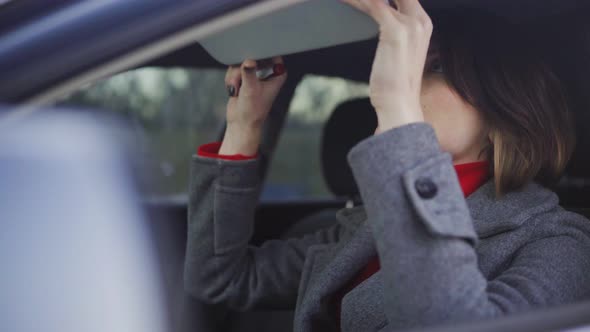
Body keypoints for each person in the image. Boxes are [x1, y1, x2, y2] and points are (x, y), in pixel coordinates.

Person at [184, 1, 590, 331]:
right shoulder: (364, 225)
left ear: (505, 107)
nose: (407, 81)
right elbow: (220, 280)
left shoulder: (555, 241)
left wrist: (400, 114)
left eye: (435, 66)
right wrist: (244, 126)